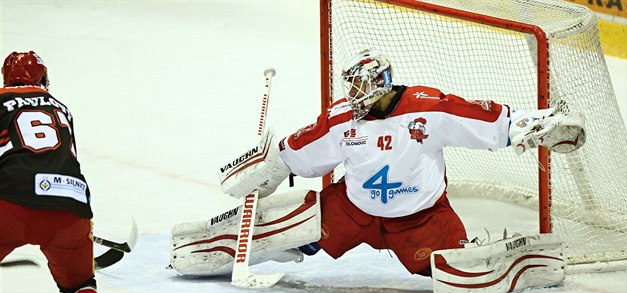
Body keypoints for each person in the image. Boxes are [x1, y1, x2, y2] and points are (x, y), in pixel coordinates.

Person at [219, 48, 585, 278]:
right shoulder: (342, 118)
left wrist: (529, 125)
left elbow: (482, 119)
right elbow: (305, 147)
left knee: (450, 272)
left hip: (422, 216)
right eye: (352, 88)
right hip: (353, 209)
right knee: (296, 237)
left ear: (382, 84)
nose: (354, 97)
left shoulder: (429, 107)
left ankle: (509, 259)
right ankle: (227, 248)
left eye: (361, 89)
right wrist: (274, 167)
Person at [0, 51, 109, 293]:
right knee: (80, 285)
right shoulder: (62, 109)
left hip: (12, 202)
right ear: (41, 78)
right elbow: (59, 159)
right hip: (71, 204)